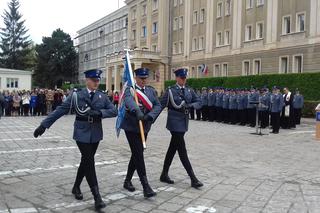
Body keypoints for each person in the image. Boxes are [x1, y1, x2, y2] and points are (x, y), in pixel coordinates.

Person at [33, 69, 117, 210]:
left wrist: (100, 113)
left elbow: (114, 111)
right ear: (87, 81)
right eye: (94, 80)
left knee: (85, 161)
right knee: (89, 161)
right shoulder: (77, 95)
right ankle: (97, 197)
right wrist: (44, 125)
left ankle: (76, 187)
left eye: (98, 80)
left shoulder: (102, 96)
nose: (97, 83)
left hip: (96, 133)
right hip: (81, 132)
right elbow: (61, 110)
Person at [120, 68, 161, 198]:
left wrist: (150, 116)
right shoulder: (130, 89)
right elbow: (129, 101)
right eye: (141, 78)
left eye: (145, 78)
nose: (143, 80)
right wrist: (137, 111)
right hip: (131, 126)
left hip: (145, 126)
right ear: (136, 78)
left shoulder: (150, 91)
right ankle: (145, 186)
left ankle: (127, 180)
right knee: (138, 154)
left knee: (137, 154)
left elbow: (158, 105)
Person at [160, 68, 203, 189]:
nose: (183, 80)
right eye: (181, 78)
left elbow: (199, 101)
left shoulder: (189, 90)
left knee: (172, 149)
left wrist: (191, 105)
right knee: (182, 151)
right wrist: (149, 119)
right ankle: (193, 178)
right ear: (177, 78)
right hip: (174, 123)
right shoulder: (170, 91)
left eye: (185, 78)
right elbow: (160, 105)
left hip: (184, 123)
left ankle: (164, 174)